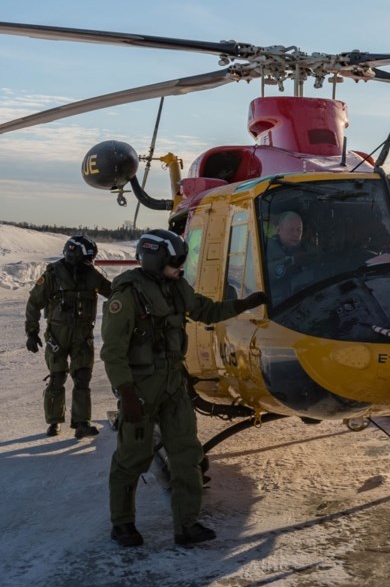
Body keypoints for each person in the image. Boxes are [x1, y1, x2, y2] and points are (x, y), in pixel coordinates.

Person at [101, 229, 267, 547]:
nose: (180, 267)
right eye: (175, 262)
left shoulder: (176, 288)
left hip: (174, 386)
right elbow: (113, 352)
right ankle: (122, 524)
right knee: (131, 458)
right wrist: (126, 393)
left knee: (186, 454)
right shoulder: (126, 296)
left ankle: (186, 525)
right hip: (141, 390)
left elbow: (204, 310)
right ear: (154, 260)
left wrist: (243, 304)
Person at [25, 235, 112, 439]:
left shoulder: (92, 276)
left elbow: (114, 292)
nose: (89, 263)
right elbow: (34, 303)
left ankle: (82, 423)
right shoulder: (53, 275)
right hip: (58, 335)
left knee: (82, 378)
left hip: (83, 336)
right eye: (86, 259)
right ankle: (54, 422)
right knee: (57, 378)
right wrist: (31, 331)